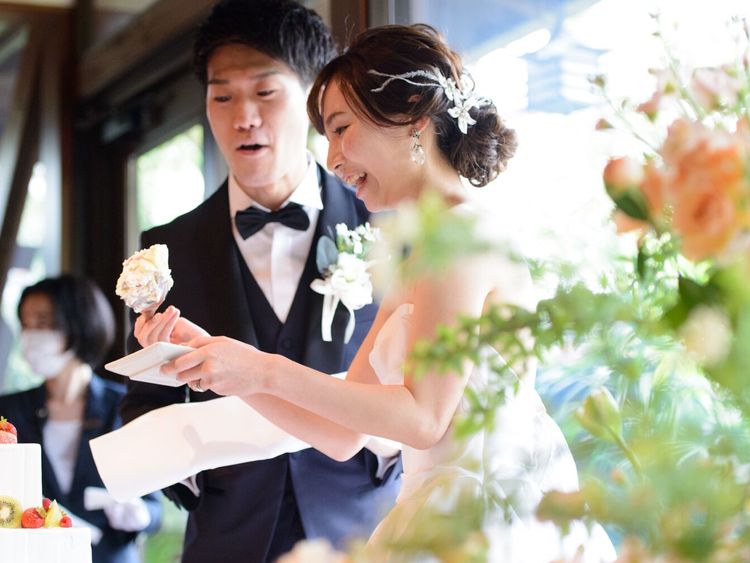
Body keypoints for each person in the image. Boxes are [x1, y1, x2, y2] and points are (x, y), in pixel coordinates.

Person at [136, 23, 617, 562]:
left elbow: (423, 419)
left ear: (411, 115)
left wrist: (263, 368)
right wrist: (218, 361)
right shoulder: (425, 248)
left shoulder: (461, 235)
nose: (333, 159)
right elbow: (340, 435)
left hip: (483, 525)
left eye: (341, 129)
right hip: (434, 512)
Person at [118, 1, 401, 562]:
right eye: (222, 97)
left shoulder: (389, 225)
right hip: (227, 540)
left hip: (366, 532)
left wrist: (384, 452)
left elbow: (422, 383)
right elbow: (144, 404)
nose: (243, 117)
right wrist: (200, 471)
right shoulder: (167, 248)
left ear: (314, 98)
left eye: (265, 92)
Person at [0, 275, 162, 563]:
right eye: (25, 324)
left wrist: (140, 514)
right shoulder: (9, 411)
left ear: (80, 325)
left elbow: (155, 509)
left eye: (43, 322)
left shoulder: (124, 406)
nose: (31, 335)